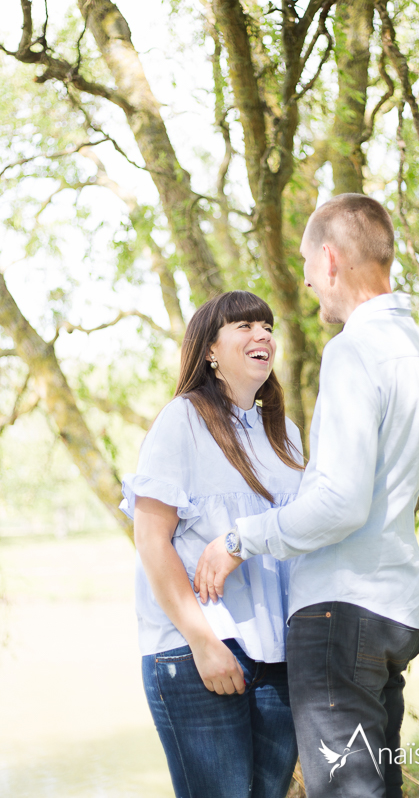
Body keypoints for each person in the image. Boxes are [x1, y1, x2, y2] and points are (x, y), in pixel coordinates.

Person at [194, 195, 419, 798]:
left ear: (329, 260)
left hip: (343, 613)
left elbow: (340, 502)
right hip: (398, 608)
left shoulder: (353, 350)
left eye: (308, 264)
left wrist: (238, 540)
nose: (307, 282)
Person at [120, 290, 304, 798]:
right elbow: (151, 542)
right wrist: (204, 642)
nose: (262, 334)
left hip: (278, 659)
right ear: (209, 351)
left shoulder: (283, 433)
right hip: (197, 651)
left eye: (267, 326)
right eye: (244, 325)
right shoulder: (182, 421)